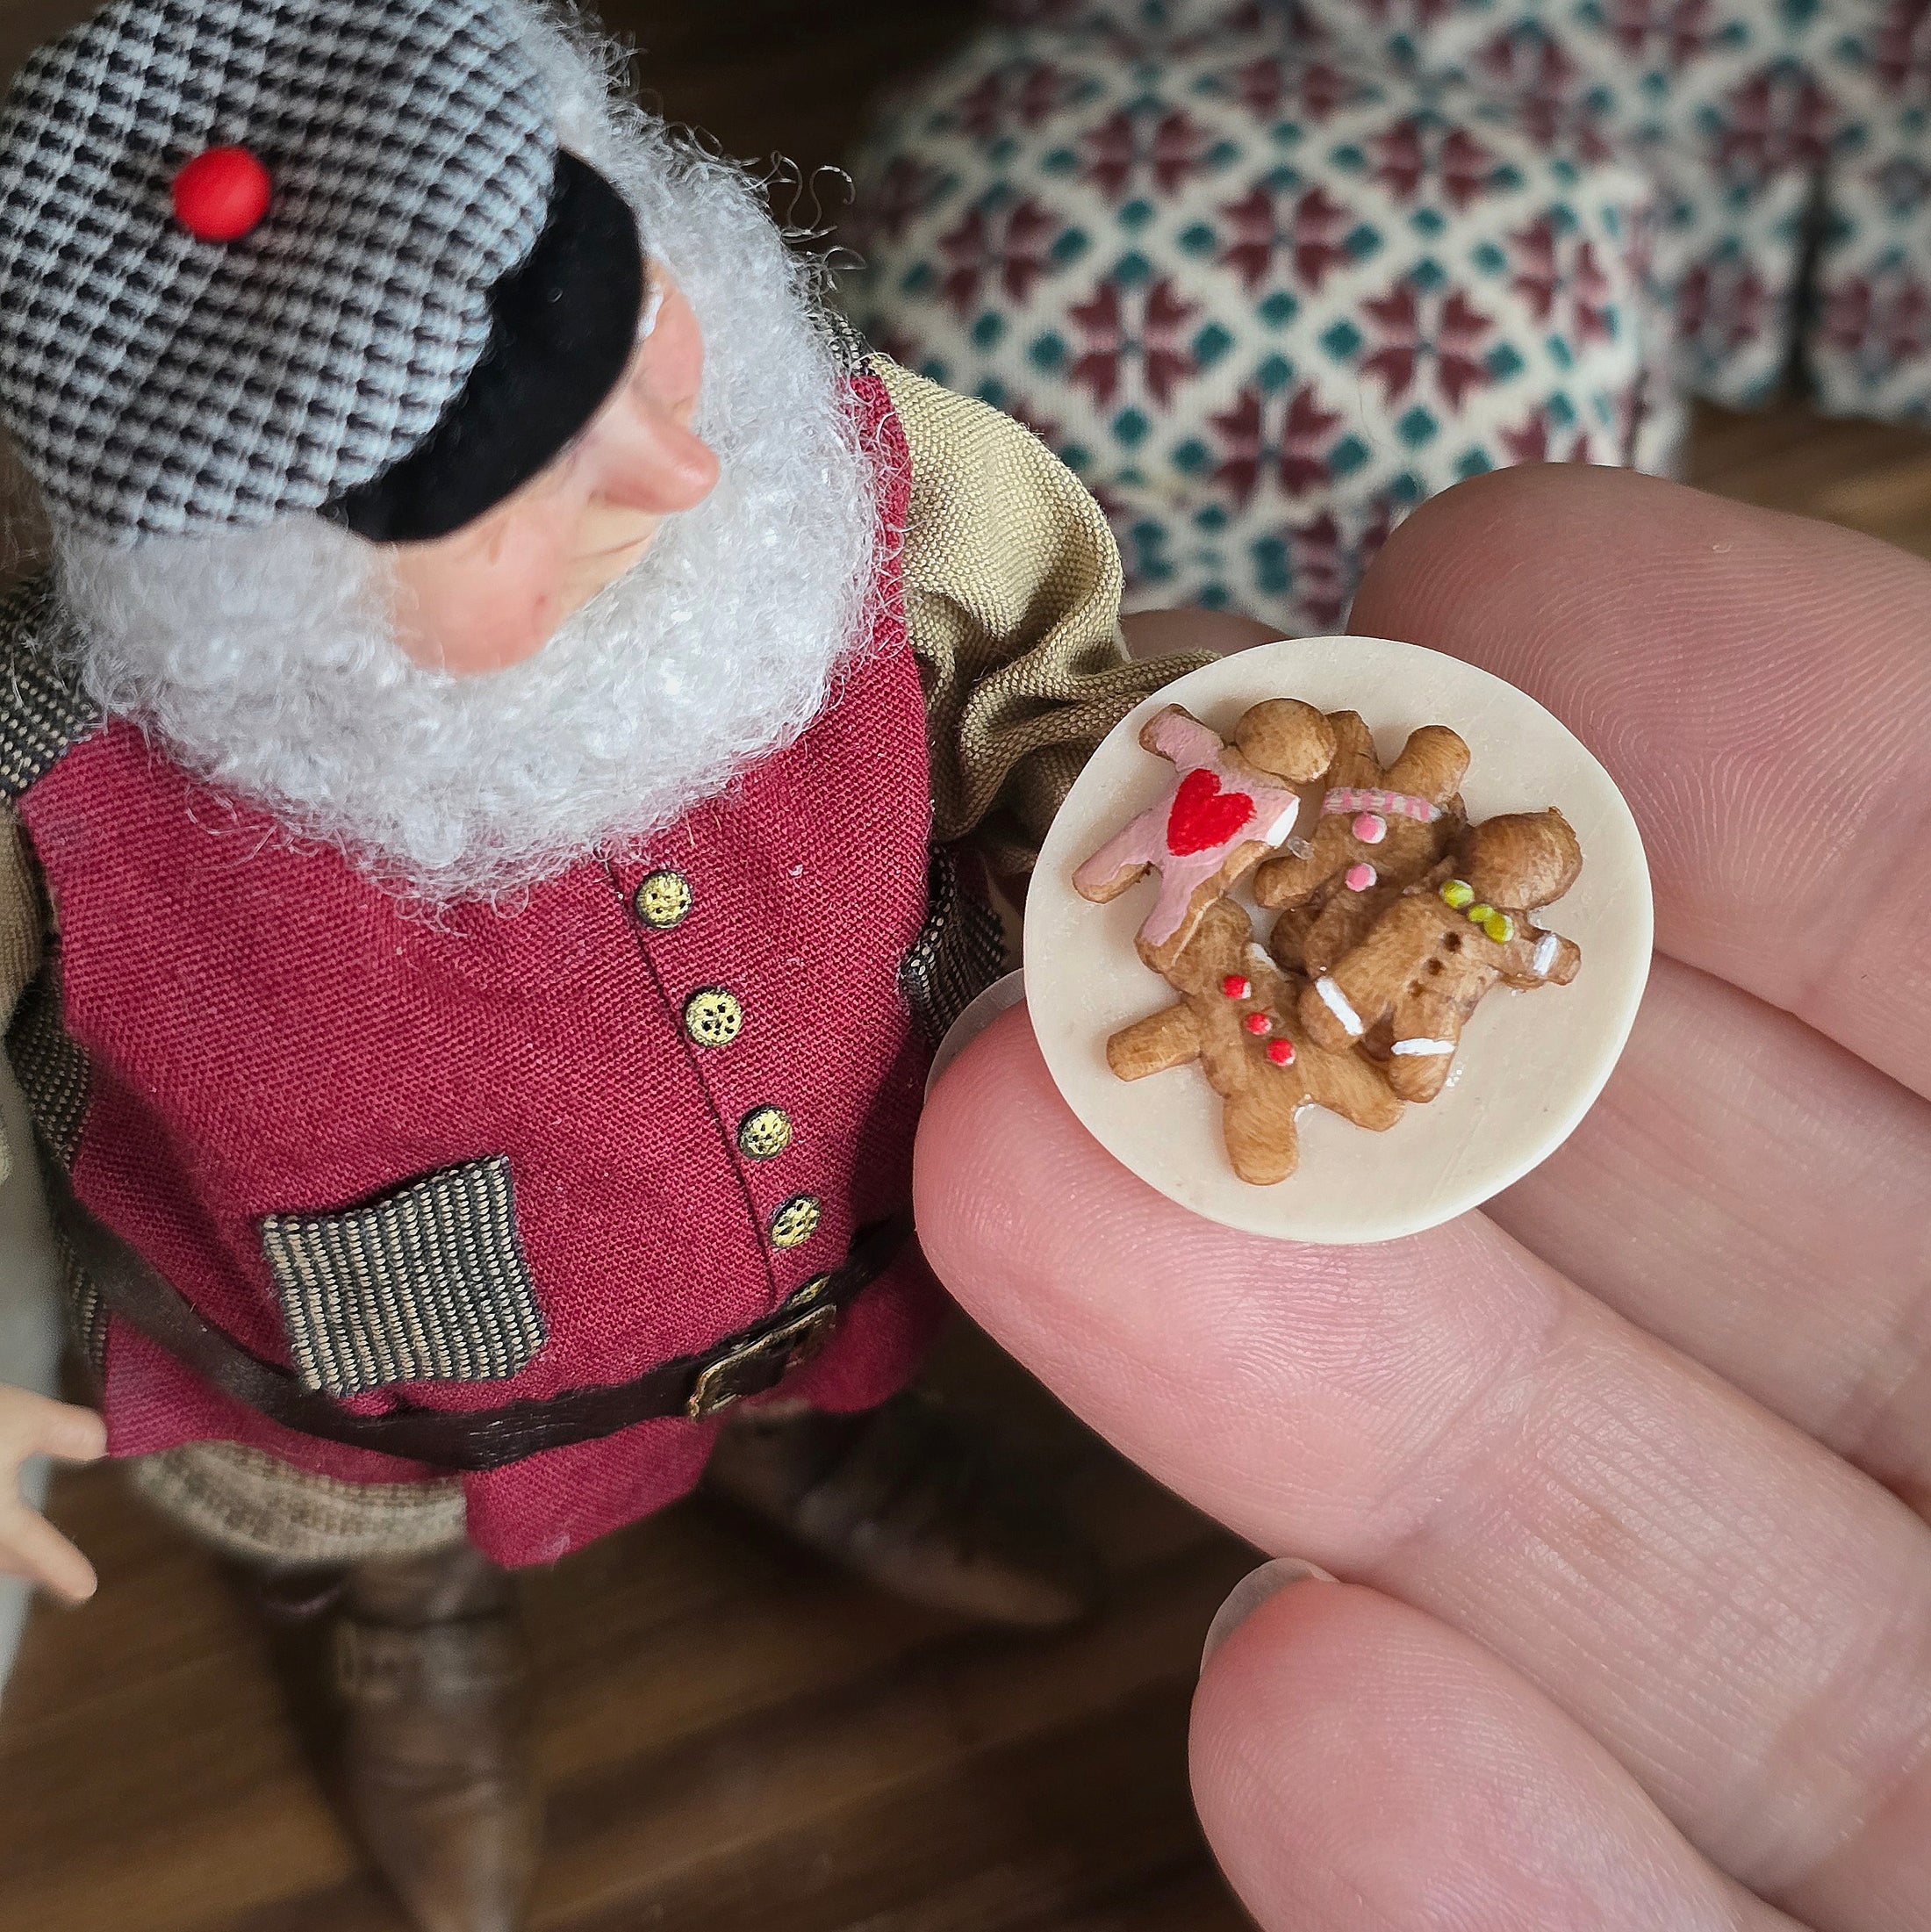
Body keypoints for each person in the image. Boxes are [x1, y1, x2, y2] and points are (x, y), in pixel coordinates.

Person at [0, 2, 1270, 1926]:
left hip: (835, 1179)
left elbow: (1052, 675)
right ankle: (415, 1623)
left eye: (637, 333)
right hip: (377, 1380)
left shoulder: (833, 466)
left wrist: (1132, 802)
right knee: (388, 1509)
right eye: (540, 490)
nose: (681, 470)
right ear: (274, 587)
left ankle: (811, 1444)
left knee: (824, 1345)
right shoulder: (55, 789)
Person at [918, 458, 1931, 1931]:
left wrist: (1436, 968)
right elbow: (1308, 874)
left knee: (1363, 1058)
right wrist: (1321, 936)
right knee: (1299, 1028)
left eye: (1510, 862)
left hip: (1350, 1000)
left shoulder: (1436, 887)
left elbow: (1496, 959)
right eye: (1500, 851)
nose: (1496, 861)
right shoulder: (1360, 826)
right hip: (1298, 971)